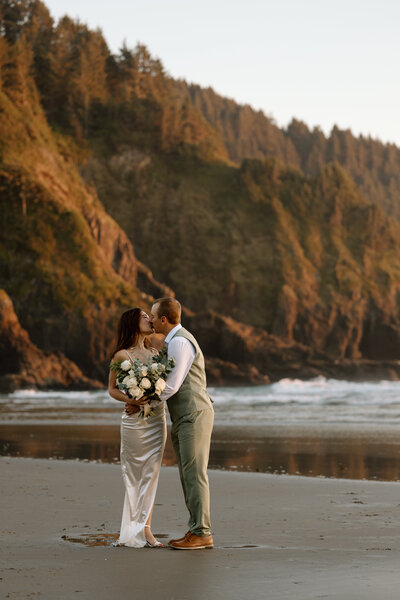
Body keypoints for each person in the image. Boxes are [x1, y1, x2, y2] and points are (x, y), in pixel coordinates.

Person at [126, 297, 214, 549]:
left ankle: (202, 533)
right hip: (186, 415)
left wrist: (142, 403)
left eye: (153, 316)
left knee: (195, 474)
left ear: (163, 319)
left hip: (194, 414)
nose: (151, 321)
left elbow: (172, 385)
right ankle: (196, 529)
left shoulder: (179, 342)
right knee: (188, 473)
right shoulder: (173, 341)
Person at [108, 308, 167, 548]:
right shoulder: (122, 356)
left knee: (152, 475)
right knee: (134, 475)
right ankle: (132, 528)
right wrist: (130, 401)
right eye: (144, 316)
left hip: (156, 421)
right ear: (133, 322)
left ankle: (147, 530)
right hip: (134, 423)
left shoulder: (156, 353)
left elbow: (165, 386)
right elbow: (112, 389)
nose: (150, 319)